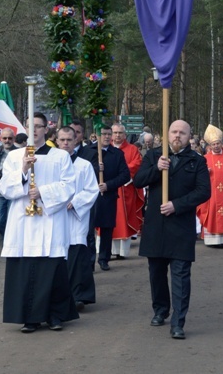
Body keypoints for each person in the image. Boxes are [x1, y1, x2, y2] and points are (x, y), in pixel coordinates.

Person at [0, 112, 78, 333]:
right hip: (23, 223)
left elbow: (69, 186)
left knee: (51, 270)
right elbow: (4, 188)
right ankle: (29, 318)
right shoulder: (14, 158)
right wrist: (23, 171)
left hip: (49, 221)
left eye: (38, 126)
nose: (34, 130)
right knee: (25, 272)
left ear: (46, 129)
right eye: (29, 126)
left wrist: (42, 192)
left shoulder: (60, 157)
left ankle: (54, 315)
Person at [134, 120, 211, 340]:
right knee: (156, 273)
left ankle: (178, 321)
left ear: (189, 136)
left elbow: (203, 191)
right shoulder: (153, 156)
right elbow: (138, 181)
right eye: (174, 132)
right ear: (167, 134)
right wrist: (156, 169)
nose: (178, 136)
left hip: (181, 226)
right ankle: (160, 309)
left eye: (182, 133)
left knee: (180, 275)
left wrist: (177, 205)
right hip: (156, 226)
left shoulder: (196, 161)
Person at [57, 126, 99, 311]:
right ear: (56, 141)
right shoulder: (50, 164)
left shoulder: (83, 165)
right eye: (62, 140)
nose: (66, 143)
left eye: (69, 139)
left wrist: (74, 203)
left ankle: (78, 295)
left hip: (75, 217)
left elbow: (92, 189)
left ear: (76, 141)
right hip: (55, 216)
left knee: (75, 257)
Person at [86, 125, 130, 271]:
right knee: (88, 230)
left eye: (108, 134)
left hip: (108, 196)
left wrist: (108, 185)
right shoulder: (88, 151)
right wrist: (95, 168)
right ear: (97, 135)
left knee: (107, 229)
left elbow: (125, 175)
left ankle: (104, 259)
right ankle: (89, 261)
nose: (106, 137)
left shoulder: (117, 154)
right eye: (103, 134)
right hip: (89, 196)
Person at [111, 123, 145, 258]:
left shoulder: (132, 149)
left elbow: (137, 163)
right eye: (115, 133)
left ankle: (122, 252)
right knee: (110, 220)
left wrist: (121, 173)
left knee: (124, 220)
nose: (118, 135)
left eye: (120, 133)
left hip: (126, 189)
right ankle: (110, 251)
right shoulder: (105, 149)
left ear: (125, 135)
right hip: (110, 188)